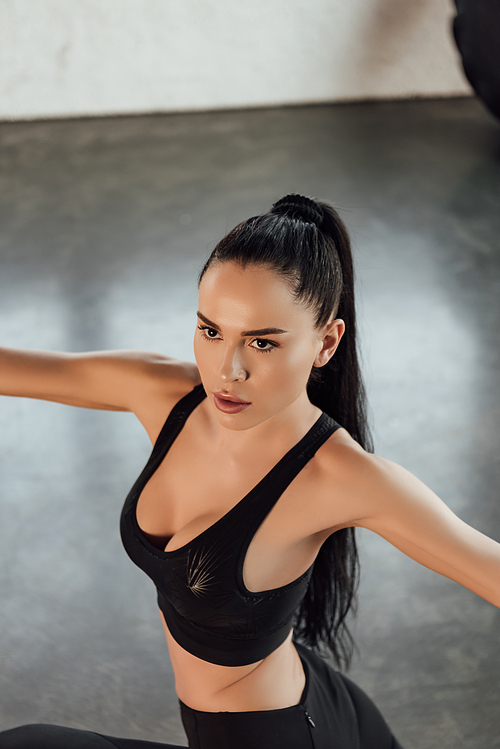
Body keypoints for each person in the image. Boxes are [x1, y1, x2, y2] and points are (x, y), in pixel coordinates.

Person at [0, 194, 498, 749]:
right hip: (290, 700)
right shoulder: (164, 394)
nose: (227, 371)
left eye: (262, 342)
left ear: (325, 343)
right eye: (211, 331)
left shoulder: (341, 477)